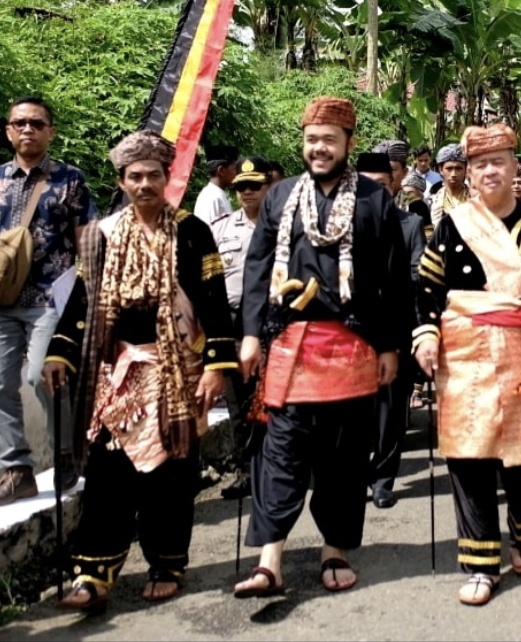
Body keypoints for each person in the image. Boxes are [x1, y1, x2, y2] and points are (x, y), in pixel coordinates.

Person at [43, 130, 236, 611]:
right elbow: (83, 303)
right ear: (122, 181)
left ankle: (167, 562)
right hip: (117, 375)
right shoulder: (102, 235)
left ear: (167, 179)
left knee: (170, 472)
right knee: (109, 470)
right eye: (135, 176)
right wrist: (59, 353)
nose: (145, 183)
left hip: (176, 371)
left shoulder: (191, 231)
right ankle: (94, 574)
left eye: (154, 175)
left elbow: (214, 303)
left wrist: (217, 364)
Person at [234, 96, 410, 597]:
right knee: (282, 451)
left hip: (352, 346)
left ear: (348, 144)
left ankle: (335, 549)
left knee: (345, 457)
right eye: (312, 139)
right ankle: (270, 560)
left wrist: (391, 346)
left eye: (330, 140)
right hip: (290, 345)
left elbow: (395, 282)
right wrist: (249, 335)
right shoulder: (280, 195)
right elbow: (256, 267)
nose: (319, 148)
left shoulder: (376, 203)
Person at [412, 123, 521, 606]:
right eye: (479, 165)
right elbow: (427, 287)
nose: (489, 171)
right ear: (468, 174)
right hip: (464, 355)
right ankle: (480, 562)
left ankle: (520, 520)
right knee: (468, 455)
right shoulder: (453, 225)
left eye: (499, 162)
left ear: (516, 170)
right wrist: (425, 333)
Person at [1, 96, 96, 505]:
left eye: (36, 124)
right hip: (3, 298)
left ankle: (66, 455)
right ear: (8, 131)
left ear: (50, 132)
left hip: (49, 298)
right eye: (19, 123)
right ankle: (16, 468)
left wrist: (89, 292)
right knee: (0, 383)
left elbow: (86, 240)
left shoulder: (68, 179)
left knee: (41, 374)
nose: (27, 129)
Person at [355, 151, 425, 509]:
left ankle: (384, 477)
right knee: (355, 411)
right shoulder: (339, 226)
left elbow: (417, 276)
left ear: (394, 185)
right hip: (351, 335)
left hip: (396, 329)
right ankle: (355, 473)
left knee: (390, 411)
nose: (375, 193)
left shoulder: (409, 225)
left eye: (381, 185)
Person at [212, 156, 273, 501]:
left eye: (254, 186)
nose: (247, 192)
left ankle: (278, 467)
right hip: (233, 324)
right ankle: (245, 470)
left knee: (274, 400)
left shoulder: (282, 226)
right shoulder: (221, 229)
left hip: (272, 324)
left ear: (267, 188)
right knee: (238, 403)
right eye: (241, 187)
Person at [193, 145, 237, 225]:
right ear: (221, 171)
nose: (236, 173)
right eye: (234, 169)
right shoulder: (211, 197)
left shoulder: (218, 194)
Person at [431, 143, 468, 230]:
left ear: (466, 170)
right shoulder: (432, 202)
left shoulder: (478, 200)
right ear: (440, 170)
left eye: (458, 169)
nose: (453, 174)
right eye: (449, 168)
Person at [373, 139, 411, 208]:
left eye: (392, 169)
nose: (385, 176)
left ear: (404, 172)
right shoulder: (361, 204)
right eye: (380, 169)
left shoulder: (415, 206)